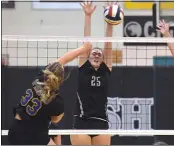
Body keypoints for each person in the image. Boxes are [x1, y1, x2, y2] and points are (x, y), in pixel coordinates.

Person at [8, 42, 92, 145]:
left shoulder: (41, 77)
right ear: (60, 80)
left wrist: (83, 48)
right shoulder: (56, 101)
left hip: (15, 130)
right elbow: (55, 120)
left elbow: (63, 59)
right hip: (35, 135)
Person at [70, 1, 114, 146]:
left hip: (101, 123)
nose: (96, 55)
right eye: (94, 53)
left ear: (103, 59)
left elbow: (108, 44)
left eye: (99, 54)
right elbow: (86, 43)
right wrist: (88, 16)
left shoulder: (105, 70)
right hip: (82, 122)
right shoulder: (83, 67)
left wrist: (110, 20)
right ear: (88, 57)